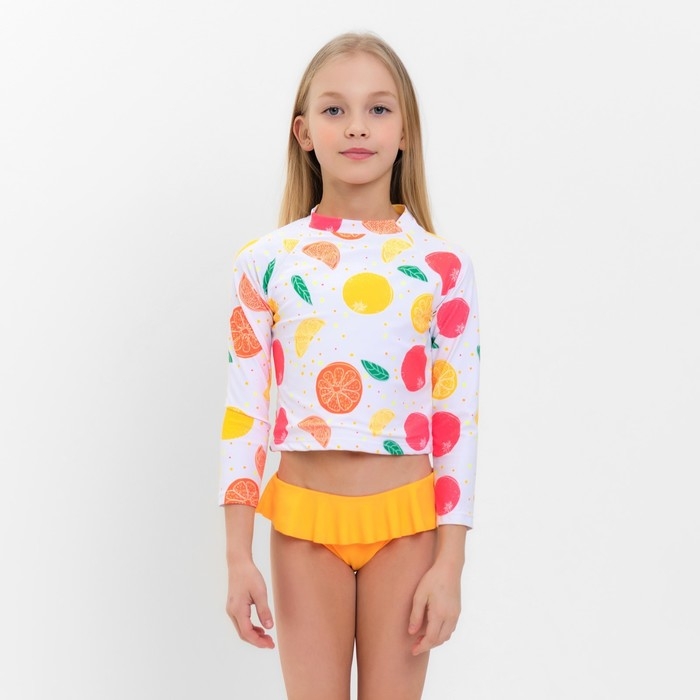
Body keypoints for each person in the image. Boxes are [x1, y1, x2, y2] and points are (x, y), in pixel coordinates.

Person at [220, 30, 480, 700]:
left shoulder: (443, 267)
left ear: (405, 130)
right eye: (334, 109)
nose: (357, 126)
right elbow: (245, 413)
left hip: (408, 530)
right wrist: (237, 556)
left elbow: (455, 421)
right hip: (303, 529)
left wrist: (450, 562)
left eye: (378, 109)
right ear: (304, 132)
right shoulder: (266, 262)